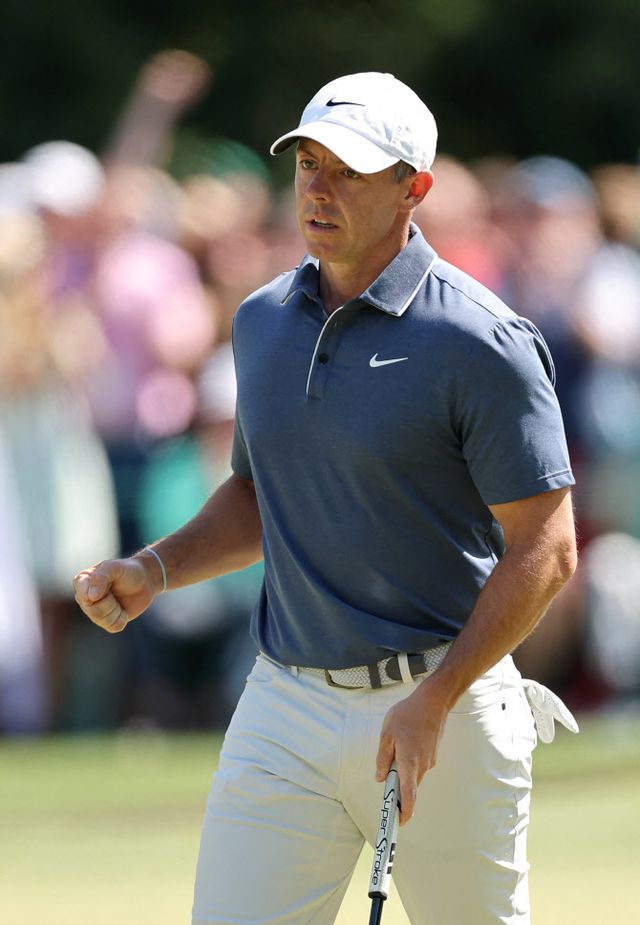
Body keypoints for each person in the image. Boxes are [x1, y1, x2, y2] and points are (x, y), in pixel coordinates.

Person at [74, 72, 579, 924]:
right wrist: (154, 568)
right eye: (309, 163)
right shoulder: (261, 321)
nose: (318, 188)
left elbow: (548, 547)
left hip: (444, 703)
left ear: (413, 188)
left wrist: (438, 698)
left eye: (349, 171)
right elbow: (257, 493)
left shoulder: (482, 340)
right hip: (284, 701)